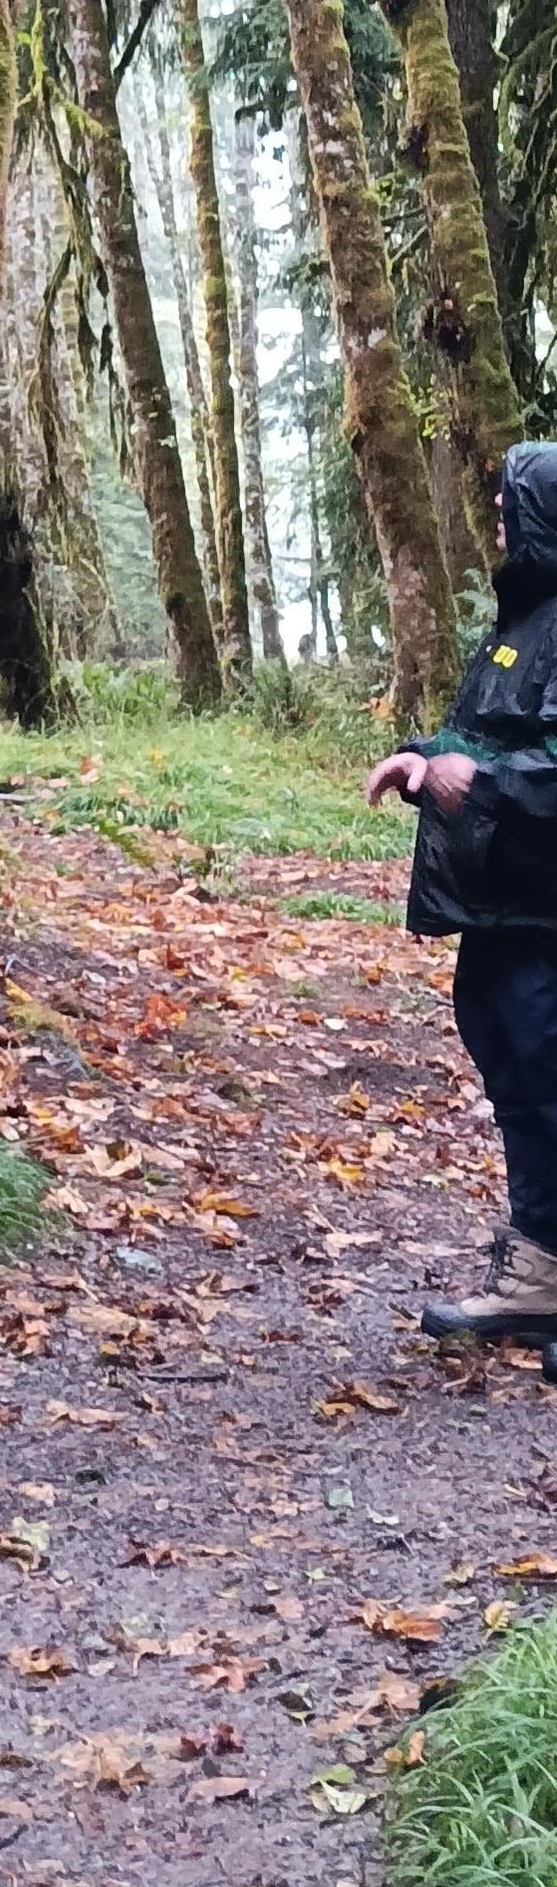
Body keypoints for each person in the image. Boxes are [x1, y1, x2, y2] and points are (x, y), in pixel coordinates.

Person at [369, 440, 557, 1340]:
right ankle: (537, 1267)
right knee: (519, 1074)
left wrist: (478, 784)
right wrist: (424, 757)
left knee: (545, 1075)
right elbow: (480, 732)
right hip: (504, 906)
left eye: (506, 508)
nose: (494, 524)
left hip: (545, 912)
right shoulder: (522, 620)